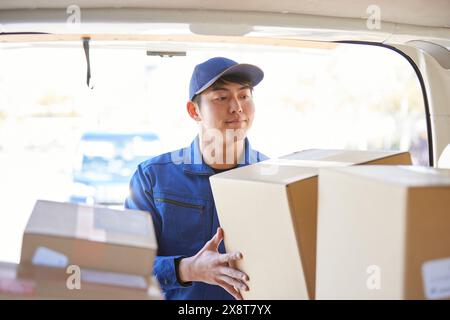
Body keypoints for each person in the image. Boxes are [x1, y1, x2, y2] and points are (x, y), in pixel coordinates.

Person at [125, 57, 268, 300]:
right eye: (221, 98)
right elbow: (128, 269)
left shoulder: (271, 180)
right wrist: (189, 269)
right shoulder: (151, 178)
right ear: (194, 111)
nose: (237, 107)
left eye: (244, 96)